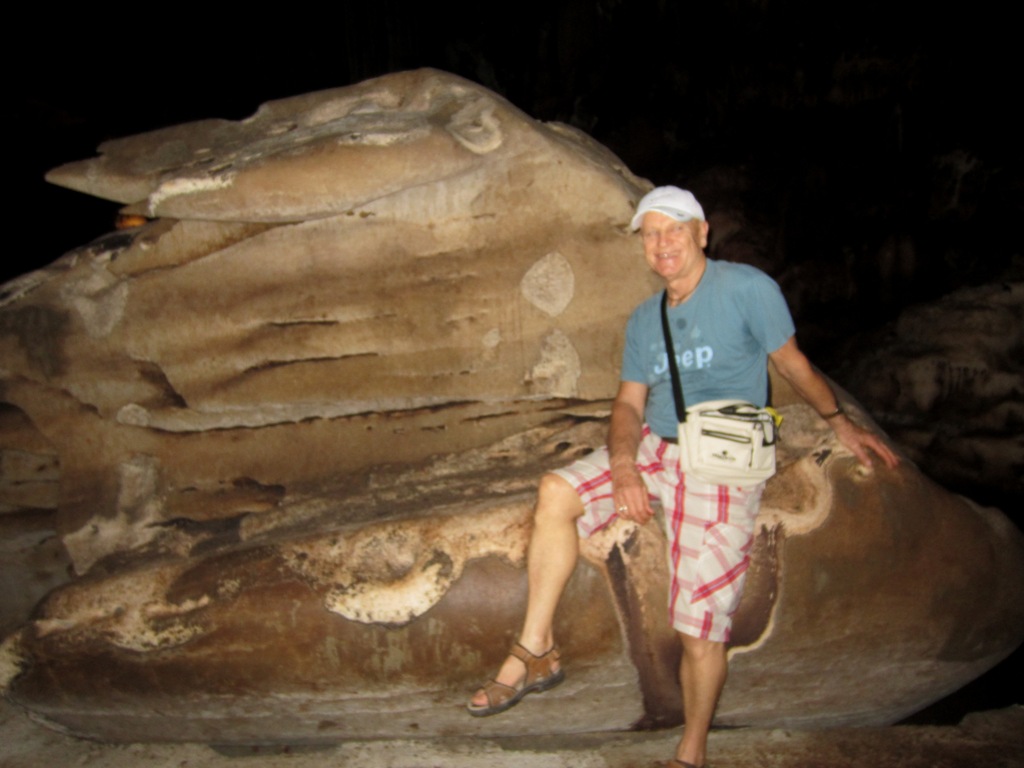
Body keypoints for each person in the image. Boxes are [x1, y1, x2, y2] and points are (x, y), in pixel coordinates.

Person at [466, 186, 899, 768]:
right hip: (655, 449)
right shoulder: (646, 319)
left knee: (698, 628)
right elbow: (627, 405)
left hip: (721, 460)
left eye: (674, 229)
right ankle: (536, 648)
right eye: (651, 233)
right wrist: (624, 467)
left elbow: (793, 364)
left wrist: (839, 423)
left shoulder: (746, 289)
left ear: (702, 234)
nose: (662, 243)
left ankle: (691, 752)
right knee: (555, 491)